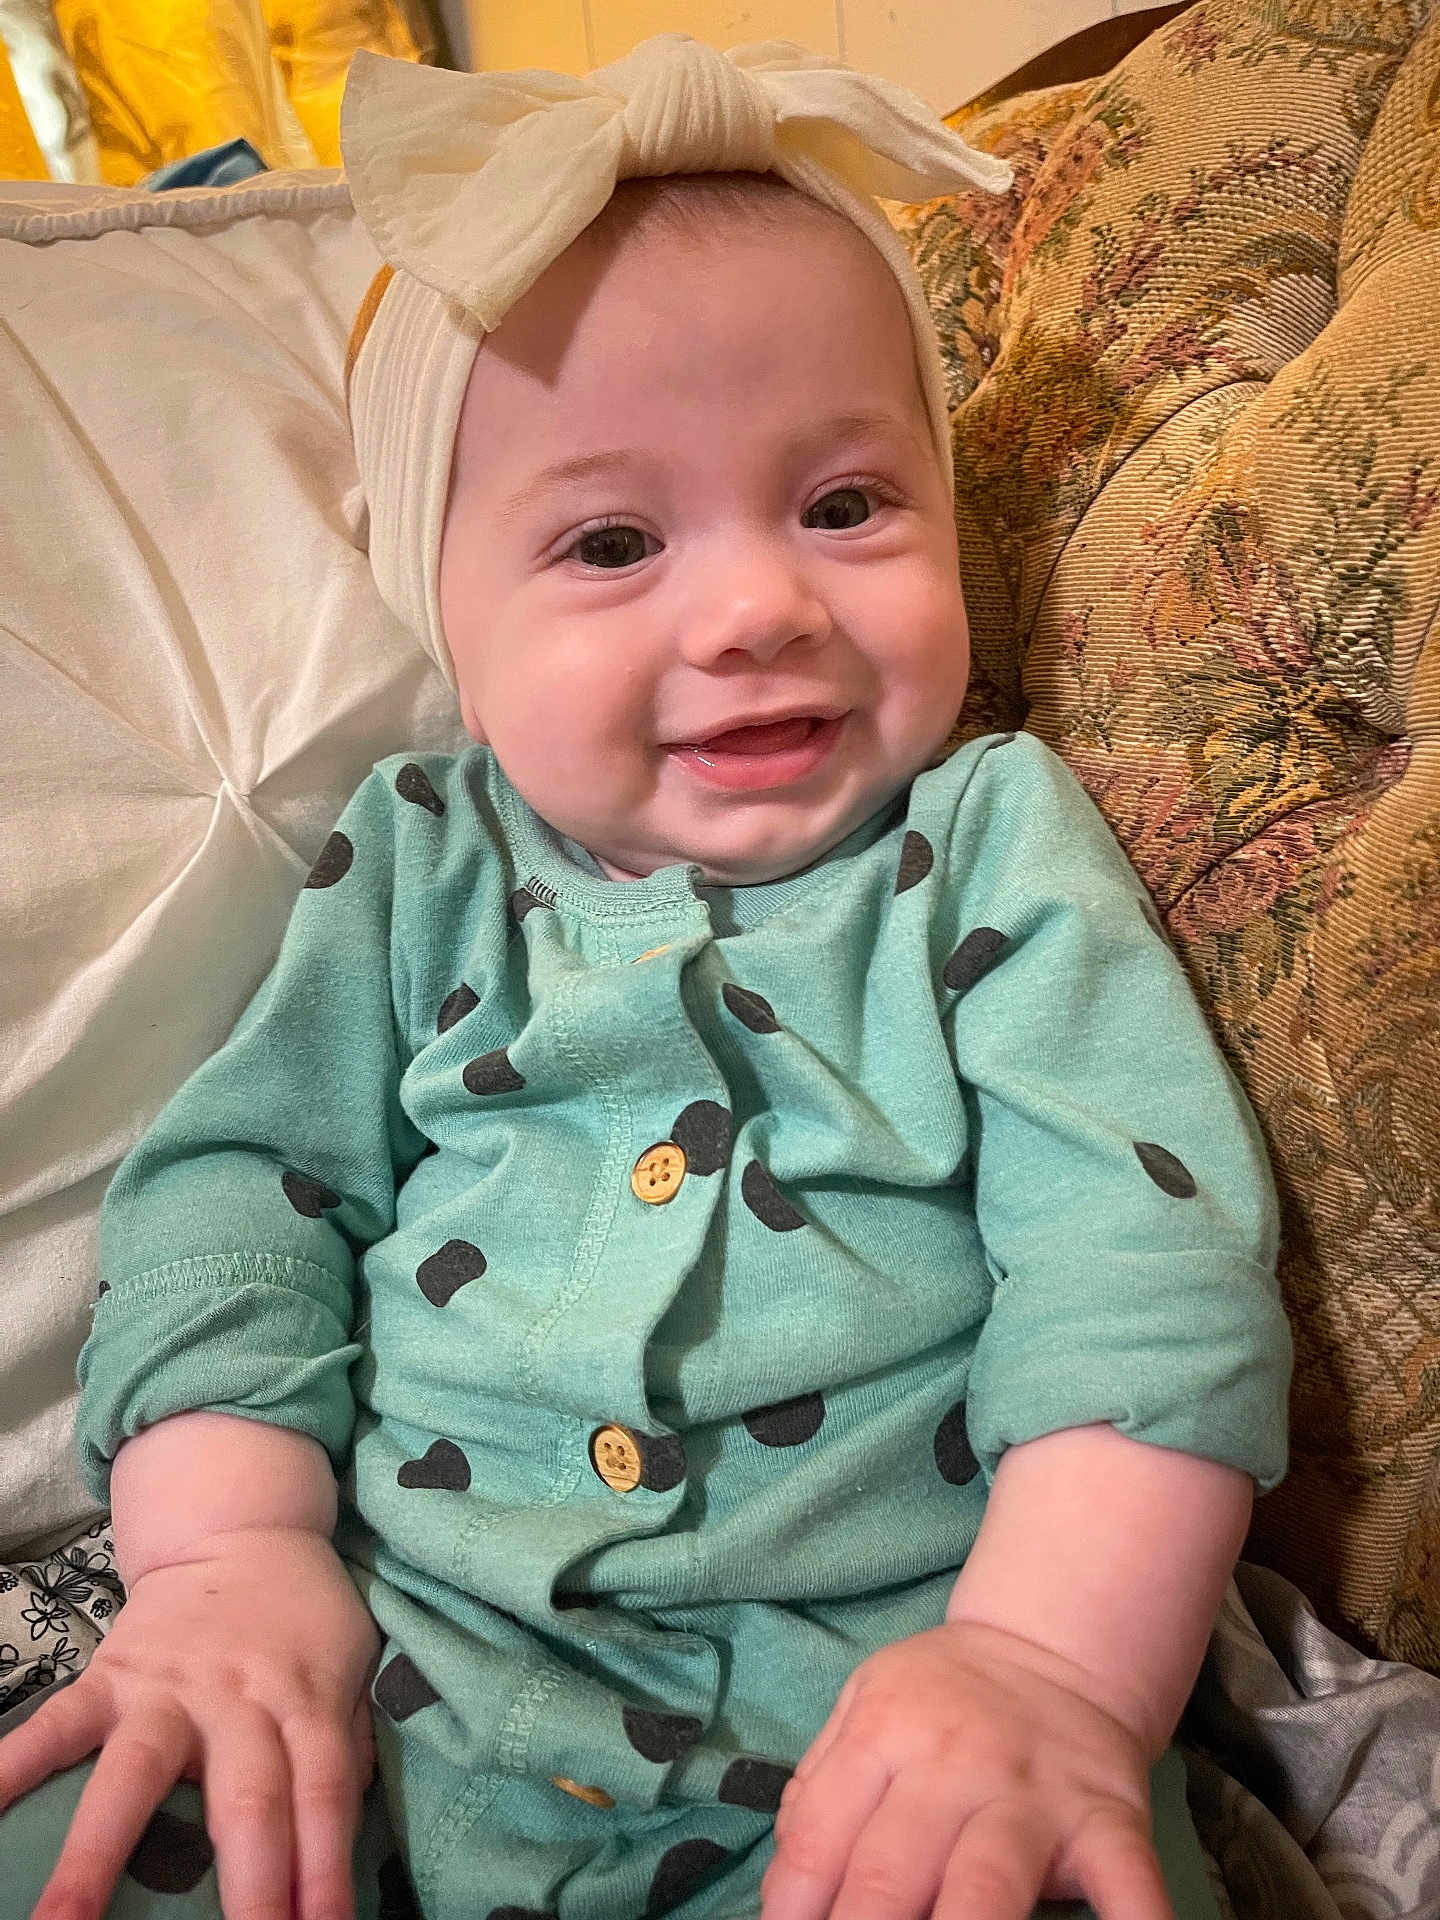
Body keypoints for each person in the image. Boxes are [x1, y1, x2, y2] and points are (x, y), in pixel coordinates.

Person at [0, 35, 1291, 1920]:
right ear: (445, 610)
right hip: (382, 1682)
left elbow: (1142, 1261)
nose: (762, 606)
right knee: (84, 1847)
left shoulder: (990, 845)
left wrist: (1052, 1669)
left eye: (847, 506)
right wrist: (227, 1561)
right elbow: (237, 1200)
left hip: (887, 1718)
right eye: (612, 542)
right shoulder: (416, 862)